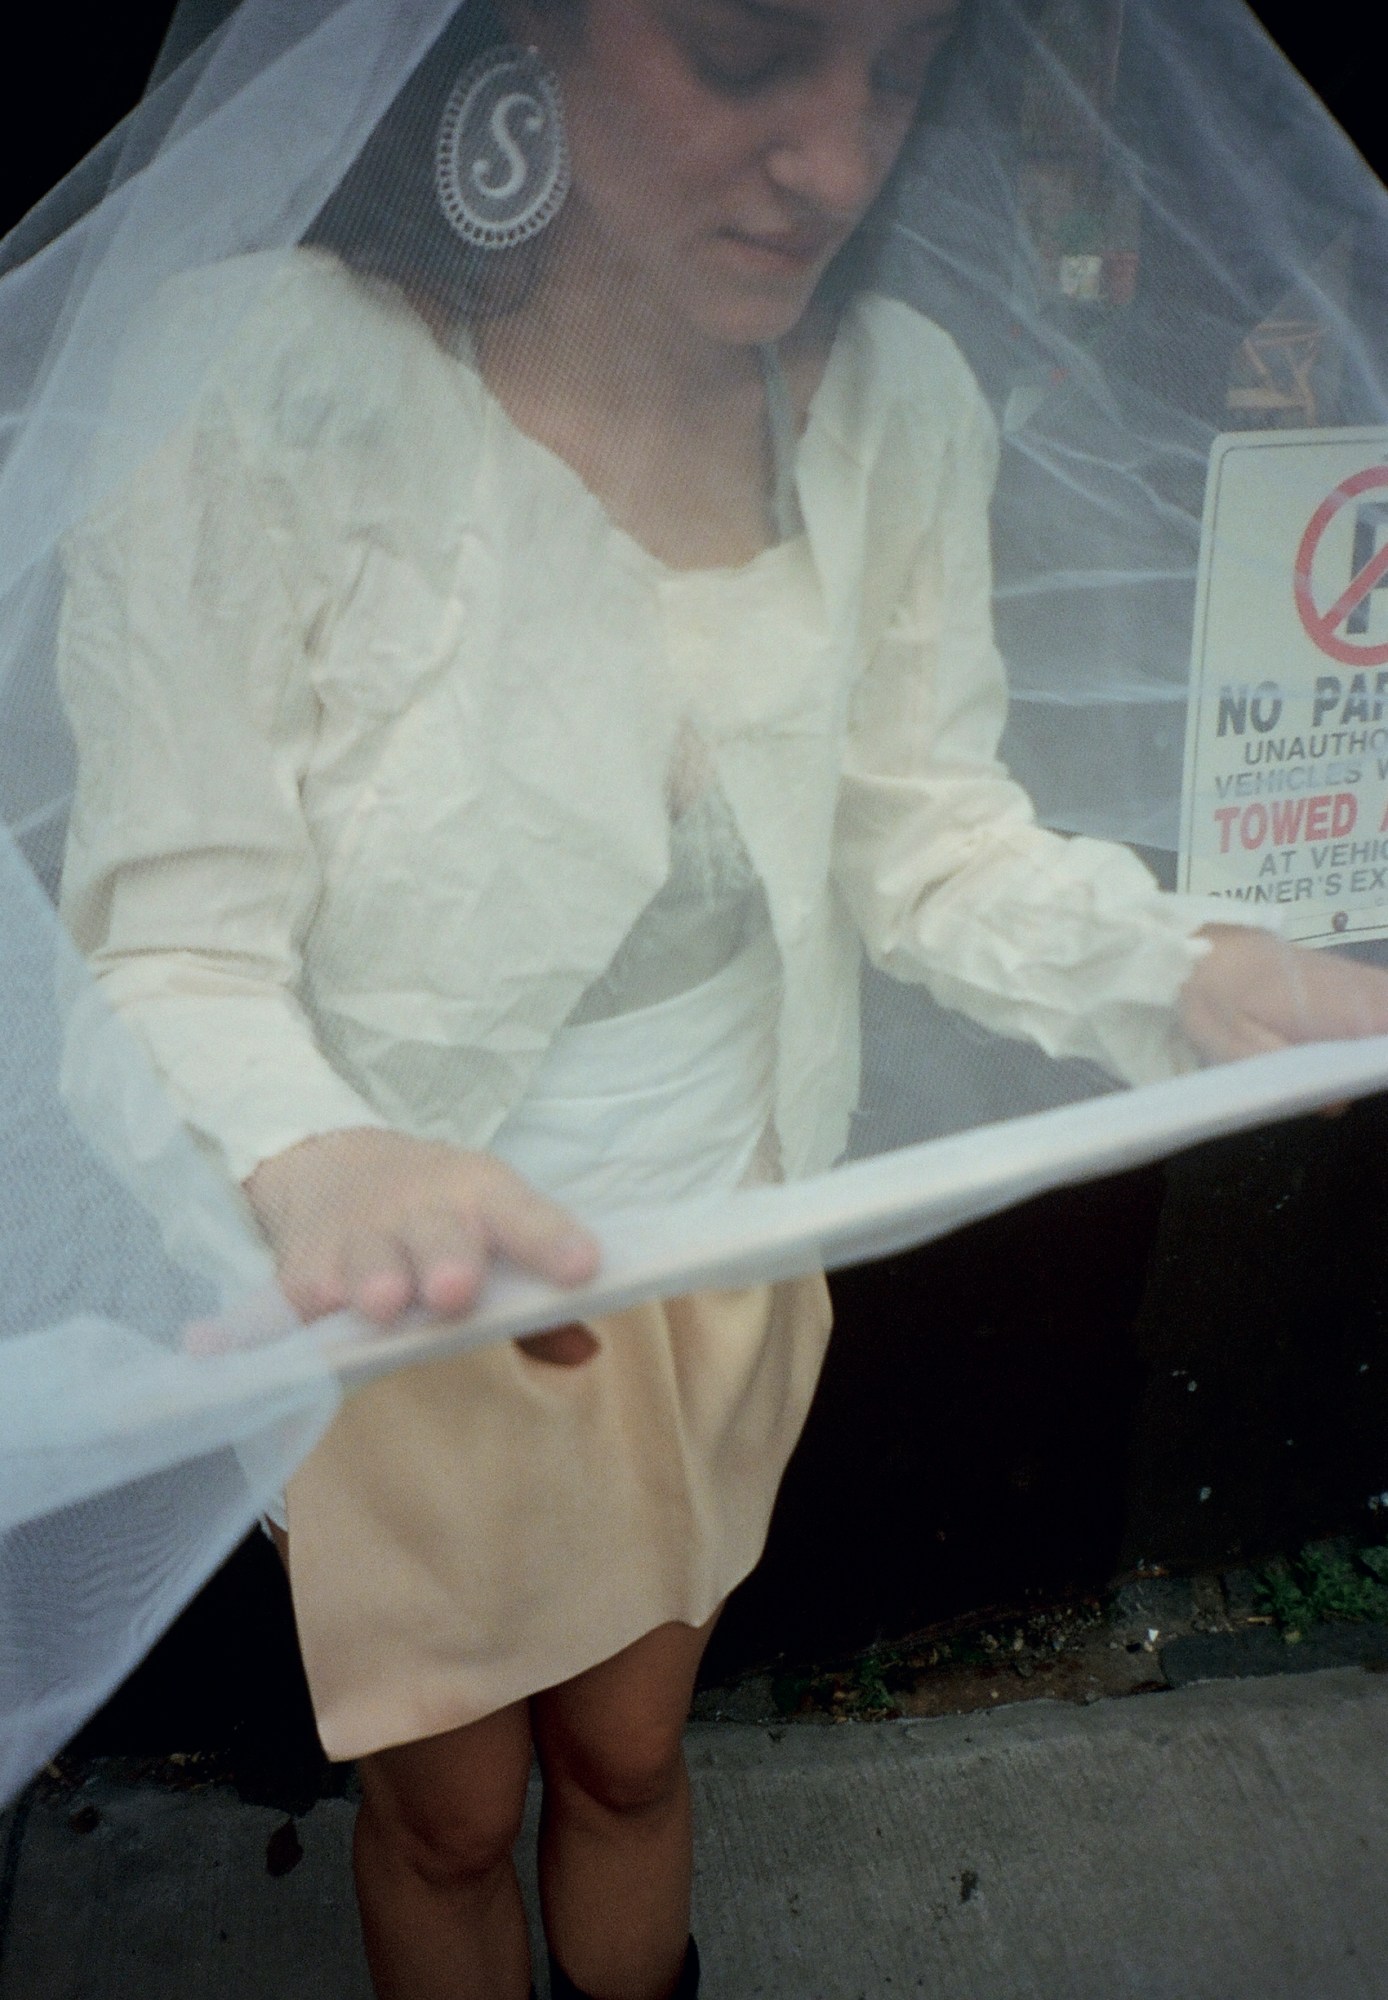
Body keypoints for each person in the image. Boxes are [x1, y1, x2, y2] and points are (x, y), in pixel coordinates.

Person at [53, 2, 1388, 1996]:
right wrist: (314, 1150)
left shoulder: (887, 403)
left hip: (719, 1253)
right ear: (514, 35)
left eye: (897, 76)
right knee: (446, 1811)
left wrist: (1183, 969)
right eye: (752, 51)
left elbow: (919, 830)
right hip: (392, 1310)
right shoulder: (264, 381)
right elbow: (168, 933)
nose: (835, 163)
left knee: (628, 1748)